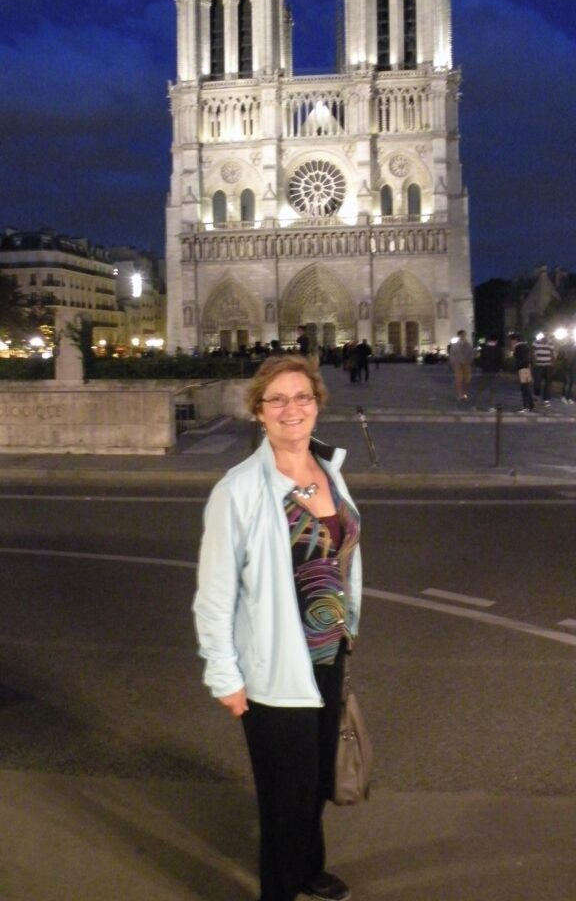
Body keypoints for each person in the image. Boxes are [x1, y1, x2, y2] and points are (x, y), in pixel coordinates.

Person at [193, 355, 362, 901]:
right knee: (283, 799)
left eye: (303, 397)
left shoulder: (328, 470)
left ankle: (309, 869)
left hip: (327, 655)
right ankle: (280, 891)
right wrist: (226, 676)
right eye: (278, 400)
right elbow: (215, 595)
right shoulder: (238, 490)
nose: (293, 409)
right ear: (258, 412)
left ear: (317, 404)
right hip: (272, 667)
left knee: (313, 783)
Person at [472, 334, 502, 411]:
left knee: (480, 389)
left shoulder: (484, 348)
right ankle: (491, 407)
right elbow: (499, 361)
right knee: (493, 390)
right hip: (495, 371)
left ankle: (475, 405)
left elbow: (481, 359)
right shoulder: (498, 349)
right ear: (496, 340)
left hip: (485, 371)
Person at [509, 333, 534, 412]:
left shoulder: (519, 347)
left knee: (524, 388)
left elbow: (520, 360)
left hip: (522, 369)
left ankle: (526, 406)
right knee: (526, 387)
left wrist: (516, 368)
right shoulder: (525, 346)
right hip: (526, 368)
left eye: (511, 340)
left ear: (515, 340)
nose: (511, 342)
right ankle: (530, 404)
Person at [449, 329, 475, 401]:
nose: (463, 336)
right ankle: (460, 395)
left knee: (467, 380)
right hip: (458, 364)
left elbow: (472, 354)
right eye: (462, 335)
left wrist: (470, 361)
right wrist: (453, 363)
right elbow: (451, 354)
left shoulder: (469, 345)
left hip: (467, 364)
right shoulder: (454, 345)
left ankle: (465, 393)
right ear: (459, 336)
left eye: (464, 335)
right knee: (459, 380)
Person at [531, 334, 554, 406]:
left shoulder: (550, 343)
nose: (546, 337)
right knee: (537, 382)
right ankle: (536, 396)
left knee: (548, 383)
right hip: (538, 366)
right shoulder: (536, 343)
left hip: (548, 366)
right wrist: (533, 364)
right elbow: (532, 353)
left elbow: (552, 354)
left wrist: (552, 364)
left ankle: (546, 399)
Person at [559, 338, 576, 404]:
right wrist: (563, 355)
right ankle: (563, 397)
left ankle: (569, 398)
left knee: (572, 383)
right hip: (565, 368)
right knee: (566, 382)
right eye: (570, 339)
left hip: (573, 368)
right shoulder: (563, 347)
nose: (571, 341)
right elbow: (559, 358)